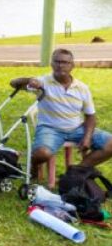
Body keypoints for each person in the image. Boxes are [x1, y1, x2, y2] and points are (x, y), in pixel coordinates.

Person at [11, 48, 112, 179]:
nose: (60, 65)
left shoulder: (82, 88)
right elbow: (13, 83)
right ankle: (33, 165)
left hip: (76, 128)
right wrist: (29, 80)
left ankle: (76, 172)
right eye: (57, 61)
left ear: (72, 65)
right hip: (50, 129)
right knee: (42, 154)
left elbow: (90, 117)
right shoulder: (42, 82)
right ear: (52, 64)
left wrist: (87, 137)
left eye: (65, 62)